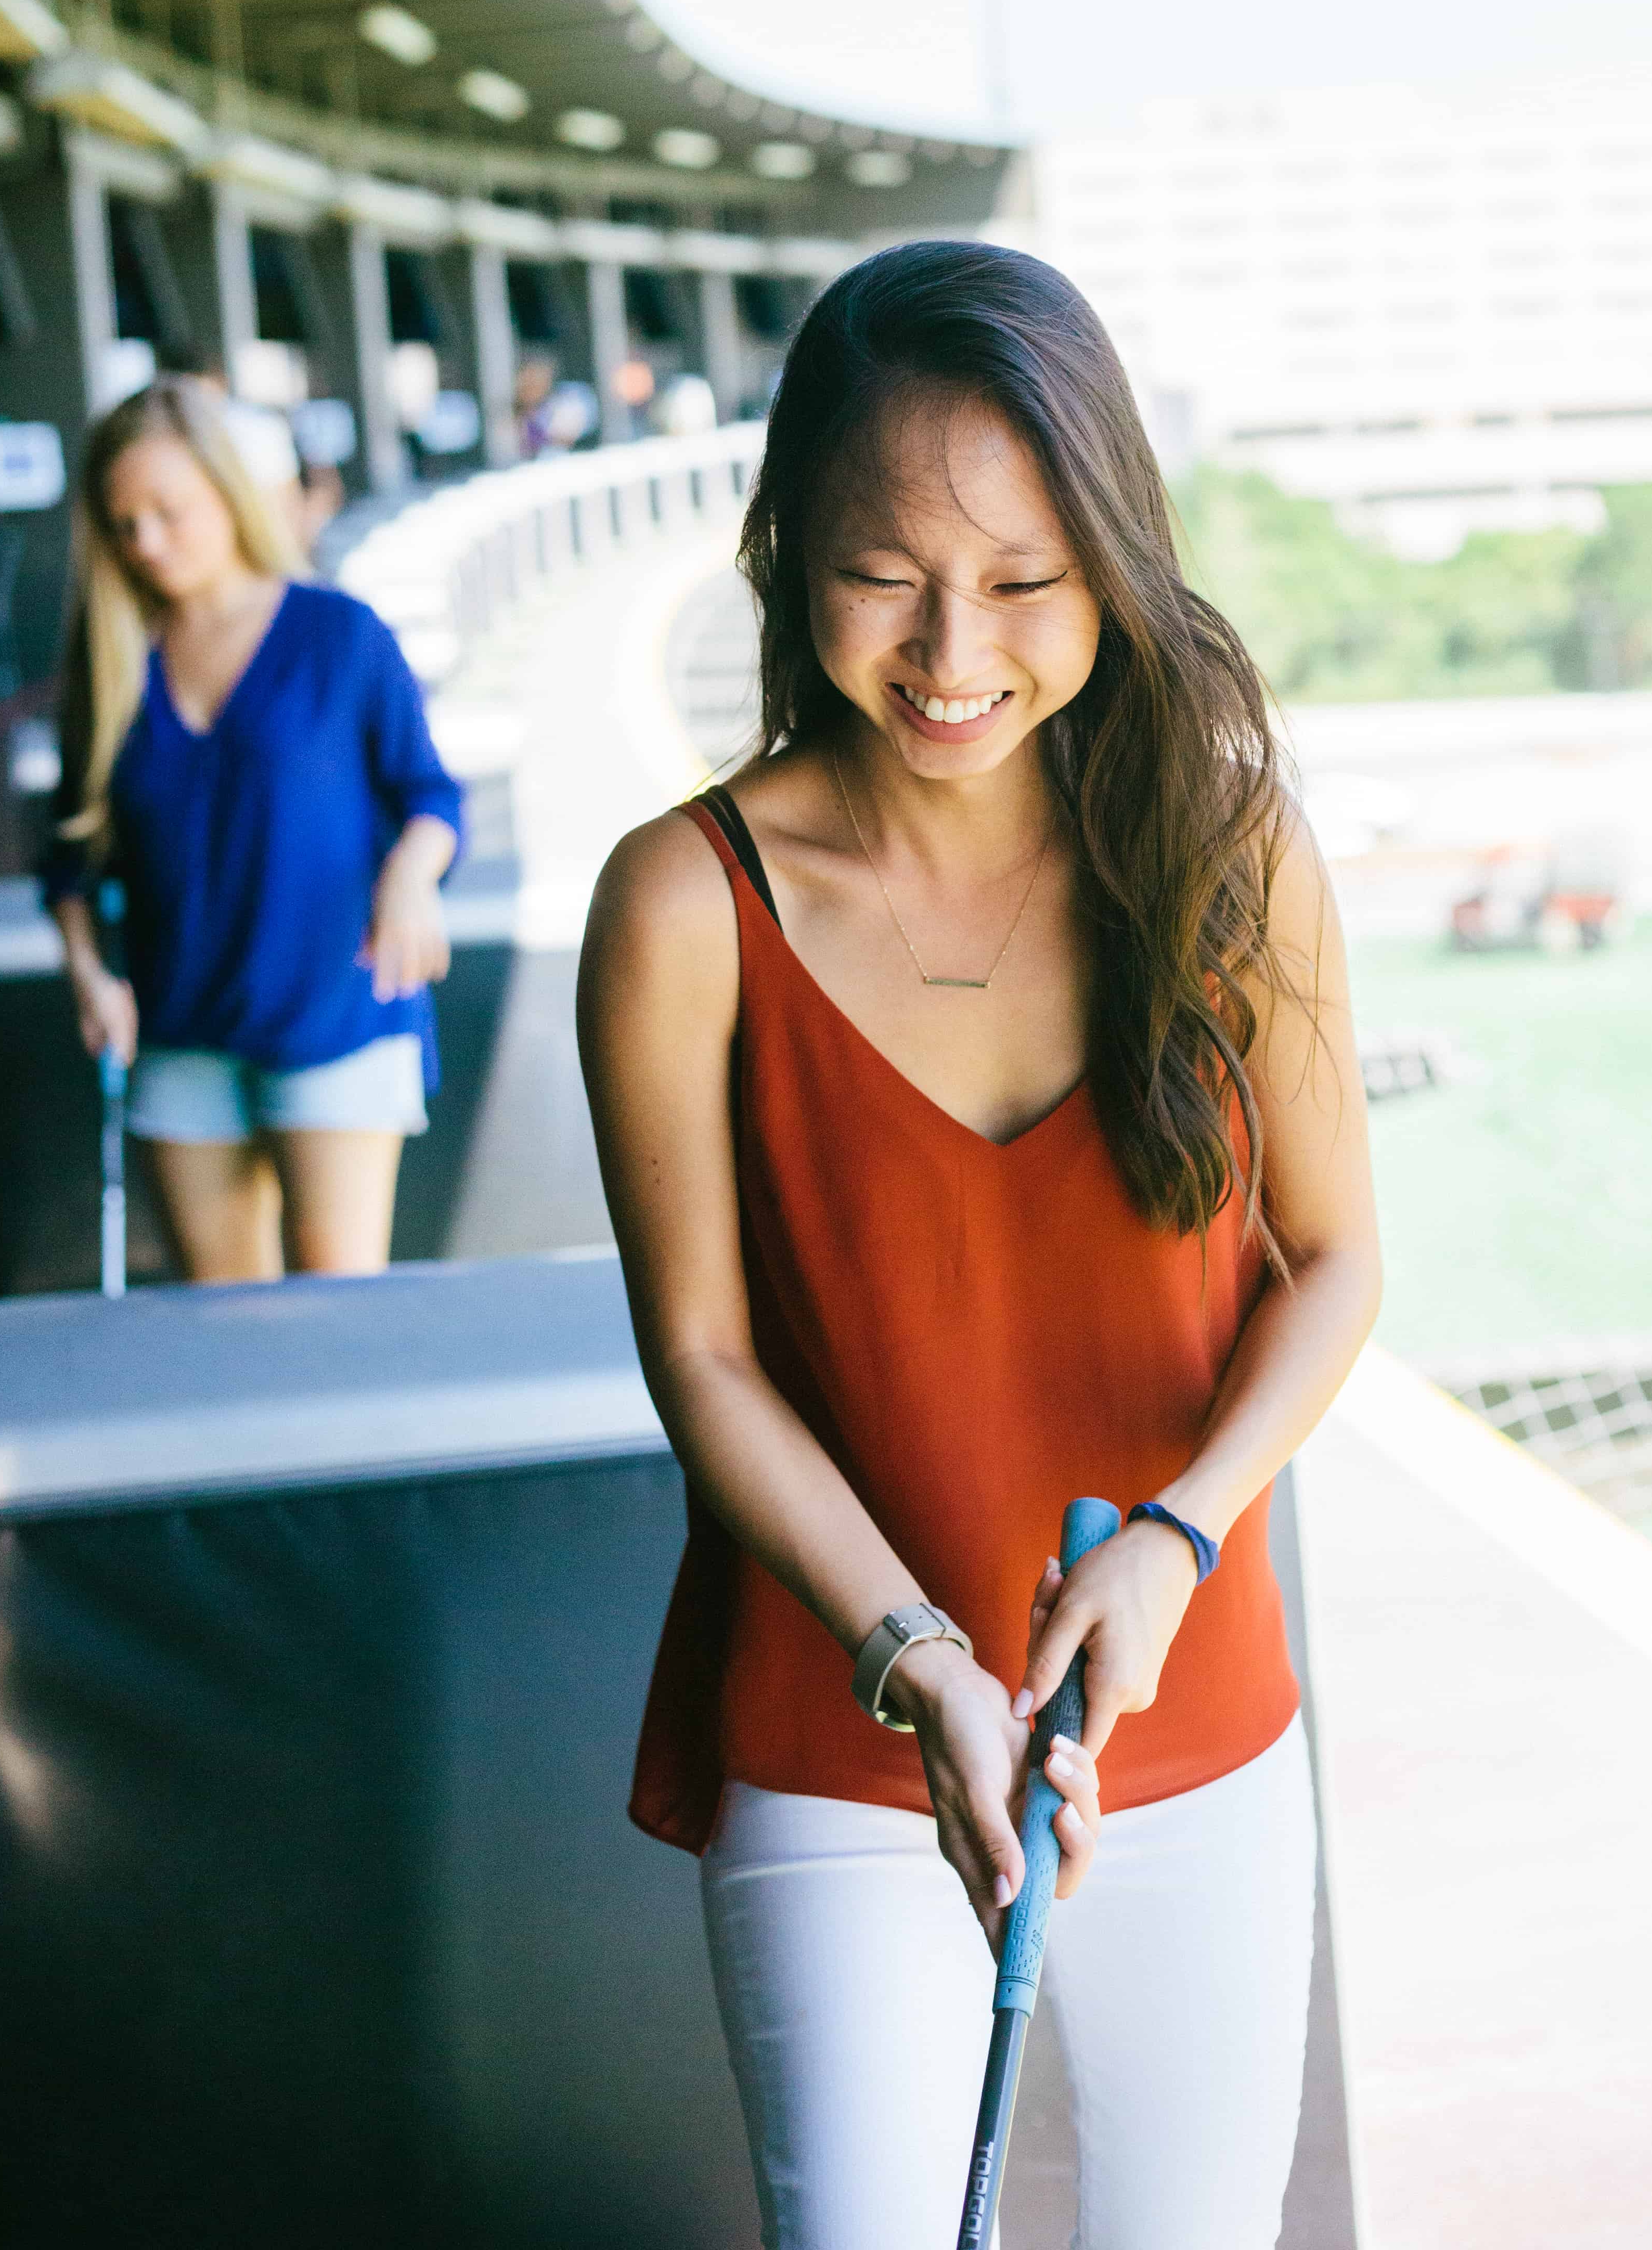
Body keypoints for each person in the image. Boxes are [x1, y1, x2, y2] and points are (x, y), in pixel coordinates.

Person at [576, 244, 1382, 2250]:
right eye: (881, 571)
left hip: (1194, 1730)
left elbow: (1336, 1256)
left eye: (1023, 583)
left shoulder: (1227, 843)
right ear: (782, 551)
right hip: (844, 1739)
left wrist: (1179, 1530)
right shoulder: (682, 905)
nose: (951, 649)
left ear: (1112, 563)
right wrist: (917, 1654)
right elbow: (706, 1361)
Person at [46, 378, 462, 1283]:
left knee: (337, 1321)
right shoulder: (110, 661)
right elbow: (70, 857)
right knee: (228, 1333)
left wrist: (409, 878)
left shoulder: (340, 637)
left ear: (228, 494)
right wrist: (90, 975)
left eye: (170, 512)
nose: (147, 543)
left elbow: (432, 797)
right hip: (180, 1032)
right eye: (124, 524)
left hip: (338, 1017)